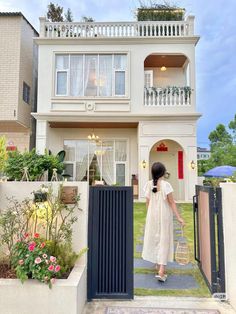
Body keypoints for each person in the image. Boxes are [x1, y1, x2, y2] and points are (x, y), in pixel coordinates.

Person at [142, 162, 185, 282]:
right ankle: (161, 271)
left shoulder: (148, 184)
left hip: (152, 216)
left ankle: (158, 264)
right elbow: (172, 202)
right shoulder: (166, 185)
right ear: (163, 172)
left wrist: (149, 215)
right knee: (164, 240)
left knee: (155, 238)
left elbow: (147, 202)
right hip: (164, 216)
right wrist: (179, 217)